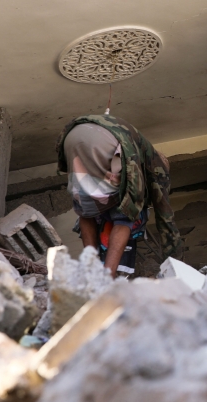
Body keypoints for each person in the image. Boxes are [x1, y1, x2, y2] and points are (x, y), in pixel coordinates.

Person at [56, 113, 182, 278]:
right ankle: (107, 275)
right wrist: (176, 262)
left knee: (85, 210)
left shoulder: (138, 147)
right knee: (125, 216)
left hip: (72, 136)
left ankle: (91, 269)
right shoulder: (156, 170)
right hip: (104, 144)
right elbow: (165, 218)